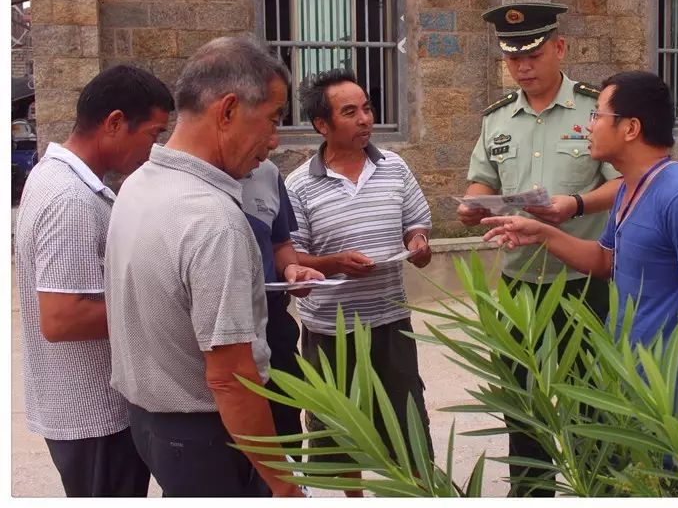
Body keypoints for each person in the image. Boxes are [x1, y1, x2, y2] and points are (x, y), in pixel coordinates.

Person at [104, 37, 304, 497]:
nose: (273, 142)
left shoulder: (139, 185)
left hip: (152, 425)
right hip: (209, 437)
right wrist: (284, 485)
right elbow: (231, 378)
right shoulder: (213, 221)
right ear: (228, 110)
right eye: (273, 119)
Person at [456, 1, 621, 497]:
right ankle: (532, 493)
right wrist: (473, 207)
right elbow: (481, 181)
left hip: (582, 285)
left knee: (590, 399)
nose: (522, 67)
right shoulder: (498, 119)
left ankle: (594, 489)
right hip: (518, 285)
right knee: (521, 403)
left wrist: (575, 205)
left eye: (532, 54)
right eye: (512, 58)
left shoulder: (597, 111)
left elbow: (627, 183)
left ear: (559, 48)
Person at [483, 70, 678, 389]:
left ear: (630, 128)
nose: (589, 125)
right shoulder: (631, 188)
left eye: (597, 115)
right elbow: (605, 260)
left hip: (669, 389)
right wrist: (541, 233)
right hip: (630, 376)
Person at [14, 65, 173, 496]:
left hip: (88, 410)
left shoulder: (62, 181)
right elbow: (62, 319)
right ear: (115, 122)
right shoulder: (69, 199)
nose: (152, 150)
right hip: (92, 415)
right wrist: (164, 309)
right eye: (153, 135)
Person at [284, 68, 434, 496]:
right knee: (343, 435)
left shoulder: (394, 167)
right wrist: (333, 263)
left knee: (408, 427)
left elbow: (416, 227)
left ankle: (419, 495)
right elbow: (294, 262)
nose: (365, 118)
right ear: (322, 125)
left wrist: (418, 243)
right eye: (350, 112)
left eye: (367, 107)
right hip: (332, 334)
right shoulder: (298, 186)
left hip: (390, 323)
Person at [238, 158, 324, 442]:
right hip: (211, 327)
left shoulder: (267, 171)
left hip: (272, 322)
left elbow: (280, 243)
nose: (274, 140)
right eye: (270, 121)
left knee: (284, 427)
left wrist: (291, 269)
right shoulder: (180, 178)